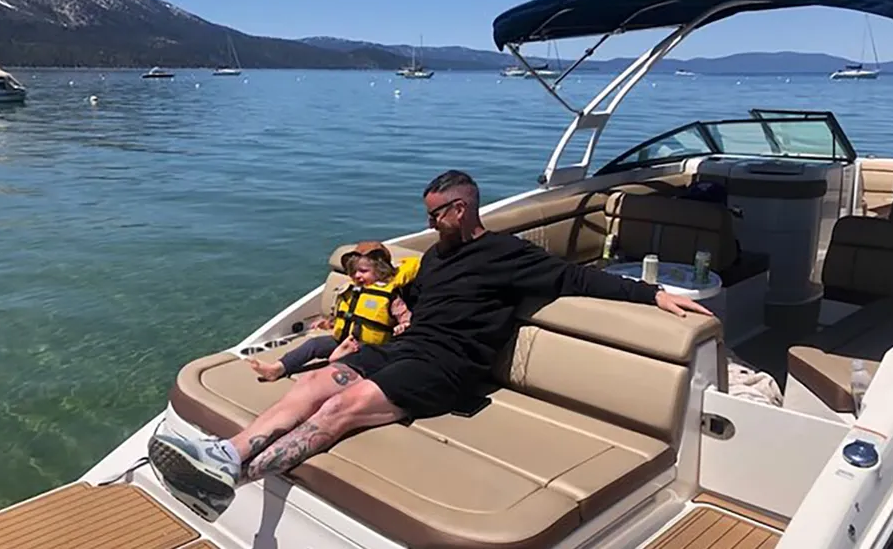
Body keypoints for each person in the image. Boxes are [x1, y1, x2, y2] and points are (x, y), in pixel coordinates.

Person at [148, 169, 712, 511]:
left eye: (435, 214)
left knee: (344, 406)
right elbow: (411, 303)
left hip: (450, 369)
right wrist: (370, 322)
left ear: (460, 208)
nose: (430, 222)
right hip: (407, 350)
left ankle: (232, 479)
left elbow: (581, 277)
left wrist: (653, 295)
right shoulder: (437, 259)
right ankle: (228, 452)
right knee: (322, 378)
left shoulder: (509, 256)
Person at [248, 241, 418, 381]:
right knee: (313, 345)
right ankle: (276, 369)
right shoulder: (353, 290)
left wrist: (402, 326)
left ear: (380, 270)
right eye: (354, 272)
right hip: (343, 340)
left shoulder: (391, 296)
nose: (357, 276)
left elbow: (405, 318)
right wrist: (327, 323)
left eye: (364, 271)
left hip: (370, 348)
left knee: (347, 358)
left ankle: (336, 361)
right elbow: (345, 317)